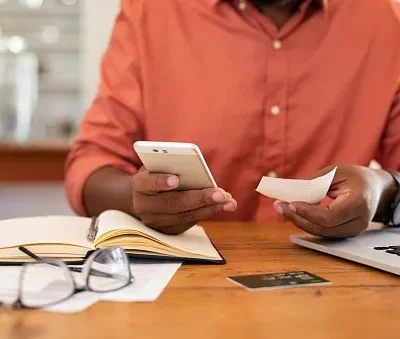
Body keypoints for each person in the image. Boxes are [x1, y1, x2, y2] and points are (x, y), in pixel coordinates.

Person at [65, 0, 400, 238]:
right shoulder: (151, 11)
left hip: (338, 286)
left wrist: (382, 191)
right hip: (186, 278)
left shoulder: (386, 20)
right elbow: (91, 164)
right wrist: (138, 199)